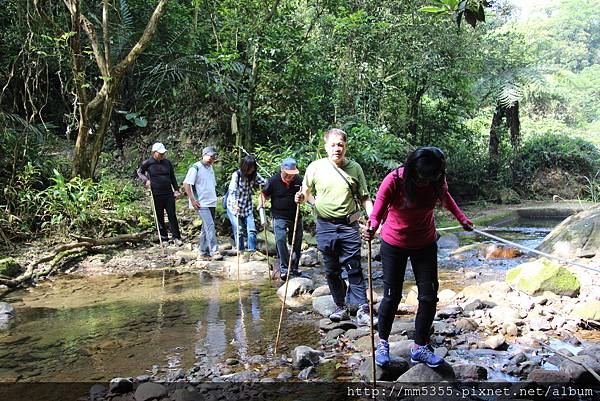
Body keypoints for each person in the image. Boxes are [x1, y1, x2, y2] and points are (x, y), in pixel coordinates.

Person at [363, 146, 473, 368]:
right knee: (392, 296)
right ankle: (383, 343)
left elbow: (446, 198)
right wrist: (372, 227)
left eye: (432, 177)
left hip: (425, 243)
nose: (426, 182)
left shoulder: (436, 180)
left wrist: (462, 219)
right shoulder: (394, 180)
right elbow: (378, 211)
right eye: (423, 177)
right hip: (394, 243)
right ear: (413, 169)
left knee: (429, 296)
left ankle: (420, 347)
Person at [296, 128, 373, 322]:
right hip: (325, 226)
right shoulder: (315, 167)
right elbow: (305, 192)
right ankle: (341, 306)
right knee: (331, 270)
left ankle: (363, 308)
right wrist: (303, 198)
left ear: (345, 146)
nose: (337, 148)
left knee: (353, 267)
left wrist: (373, 221)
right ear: (325, 147)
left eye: (340, 144)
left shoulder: (355, 168)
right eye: (333, 145)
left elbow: (365, 198)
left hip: (349, 225)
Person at [259, 157, 304, 281]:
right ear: (282, 170)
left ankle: (294, 268)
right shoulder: (273, 181)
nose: (291, 176)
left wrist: (307, 199)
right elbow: (263, 194)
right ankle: (284, 268)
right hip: (279, 216)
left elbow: (306, 195)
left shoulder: (299, 181)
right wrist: (261, 204)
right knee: (280, 240)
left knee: (296, 242)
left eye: (293, 174)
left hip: (296, 216)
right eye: (288, 174)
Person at [137, 142, 182, 246]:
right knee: (159, 216)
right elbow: (140, 172)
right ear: (154, 152)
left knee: (172, 215)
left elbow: (172, 177)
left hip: (168, 193)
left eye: (163, 153)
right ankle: (164, 238)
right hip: (156, 194)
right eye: (160, 153)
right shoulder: (148, 163)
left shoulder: (167, 163)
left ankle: (176, 237)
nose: (162, 155)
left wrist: (176, 189)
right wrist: (146, 180)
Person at [183, 146, 223, 261]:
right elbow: (186, 184)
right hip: (201, 203)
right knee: (210, 225)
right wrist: (192, 200)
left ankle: (202, 252)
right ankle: (214, 251)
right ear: (204, 155)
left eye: (214, 157)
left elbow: (212, 184)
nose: (212, 159)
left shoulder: (210, 168)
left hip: (211, 201)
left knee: (206, 228)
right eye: (210, 156)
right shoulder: (195, 167)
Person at [226, 155, 267, 261]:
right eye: (249, 167)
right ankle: (240, 252)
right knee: (238, 230)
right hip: (234, 206)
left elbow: (266, 183)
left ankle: (252, 252)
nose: (251, 170)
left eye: (253, 167)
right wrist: (235, 204)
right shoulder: (237, 175)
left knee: (252, 229)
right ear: (244, 166)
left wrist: (266, 192)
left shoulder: (254, 176)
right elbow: (232, 191)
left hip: (247, 206)